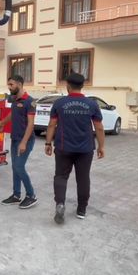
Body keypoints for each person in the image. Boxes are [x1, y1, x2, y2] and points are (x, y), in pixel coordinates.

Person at [44, 73, 105, 224]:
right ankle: (81, 210)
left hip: (64, 147)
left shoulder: (59, 103)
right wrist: (101, 146)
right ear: (82, 86)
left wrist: (47, 143)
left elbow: (52, 124)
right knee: (83, 178)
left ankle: (60, 204)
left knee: (61, 176)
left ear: (68, 86)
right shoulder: (92, 104)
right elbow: (99, 127)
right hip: (85, 149)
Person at [0, 75, 38, 209]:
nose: (9, 87)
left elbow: (31, 124)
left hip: (25, 140)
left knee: (19, 166)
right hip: (15, 139)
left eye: (11, 84)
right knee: (15, 167)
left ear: (19, 84)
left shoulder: (30, 102)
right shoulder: (14, 99)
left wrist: (24, 142)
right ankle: (16, 195)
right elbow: (12, 114)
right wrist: (2, 122)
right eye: (8, 84)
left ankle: (31, 195)